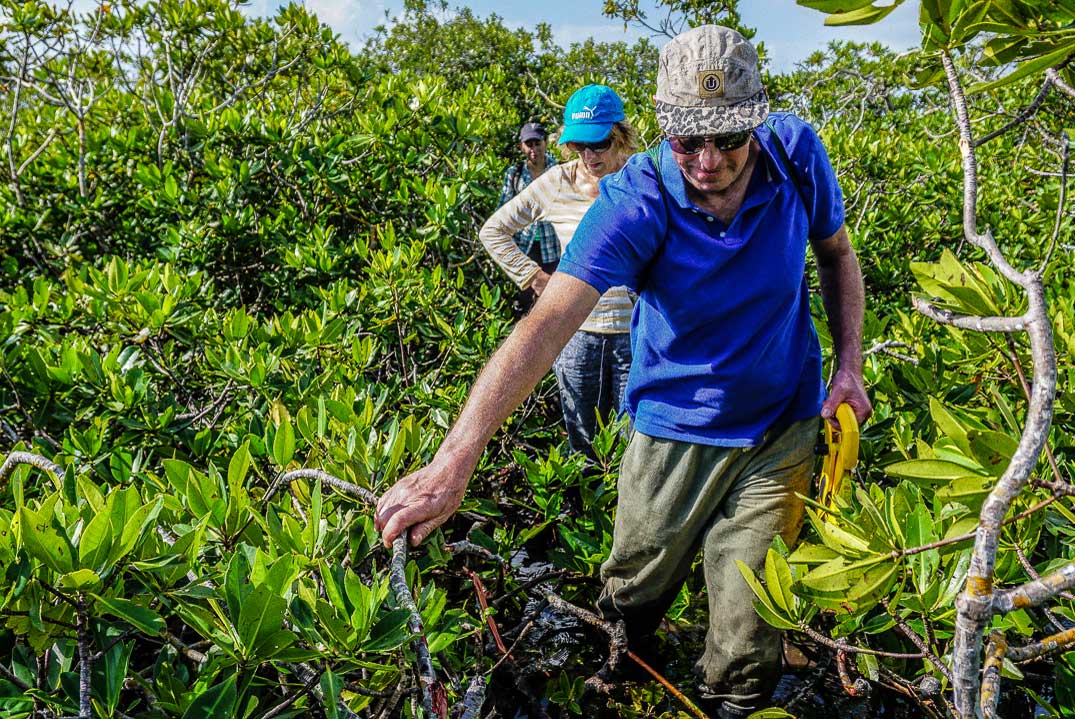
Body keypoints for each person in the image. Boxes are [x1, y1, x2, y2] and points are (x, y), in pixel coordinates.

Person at [376, 25, 872, 719]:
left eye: (727, 138)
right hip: (671, 429)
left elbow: (837, 254)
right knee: (632, 592)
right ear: (662, 129)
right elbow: (545, 326)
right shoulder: (632, 200)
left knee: (750, 623)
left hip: (780, 425)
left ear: (757, 121)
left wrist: (848, 364)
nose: (706, 161)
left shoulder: (796, 154)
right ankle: (619, 673)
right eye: (686, 139)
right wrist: (450, 465)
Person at [480, 85, 637, 460]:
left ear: (619, 136)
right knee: (583, 448)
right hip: (575, 332)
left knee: (636, 450)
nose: (588, 155)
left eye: (598, 144)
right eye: (578, 145)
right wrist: (535, 278)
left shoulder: (642, 178)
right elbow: (493, 231)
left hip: (636, 333)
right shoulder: (556, 182)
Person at [499, 122, 560, 318]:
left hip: (555, 246)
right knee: (525, 299)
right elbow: (503, 211)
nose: (534, 149)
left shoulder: (560, 170)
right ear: (522, 147)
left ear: (545, 143)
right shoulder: (514, 174)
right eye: (529, 144)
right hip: (524, 247)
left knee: (554, 299)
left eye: (537, 143)